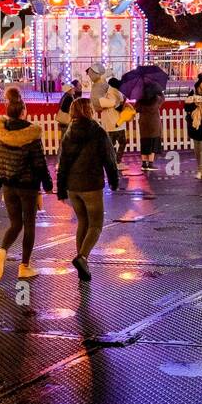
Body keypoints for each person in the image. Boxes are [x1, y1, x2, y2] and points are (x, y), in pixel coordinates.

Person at [0, 87, 52, 281]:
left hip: (8, 185)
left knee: (15, 223)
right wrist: (48, 183)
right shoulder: (31, 134)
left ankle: (2, 249)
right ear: (23, 111)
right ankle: (24, 265)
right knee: (29, 224)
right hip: (28, 186)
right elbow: (39, 162)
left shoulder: (1, 134)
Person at [56, 97, 120, 282]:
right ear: (89, 111)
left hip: (73, 187)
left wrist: (61, 189)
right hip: (91, 185)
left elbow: (64, 163)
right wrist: (114, 181)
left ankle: (82, 263)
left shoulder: (69, 132)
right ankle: (82, 258)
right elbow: (110, 158)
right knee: (96, 225)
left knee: (82, 222)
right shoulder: (98, 131)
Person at [136, 82, 164, 171]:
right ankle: (150, 164)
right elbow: (163, 98)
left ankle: (144, 163)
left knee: (144, 141)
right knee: (153, 141)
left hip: (143, 123)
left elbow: (136, 108)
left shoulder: (140, 100)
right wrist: (158, 90)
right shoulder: (157, 99)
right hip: (154, 123)